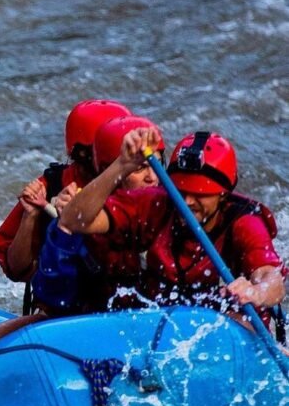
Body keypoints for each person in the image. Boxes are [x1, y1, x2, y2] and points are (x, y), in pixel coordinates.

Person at [59, 127, 286, 326]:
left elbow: (272, 278)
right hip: (163, 325)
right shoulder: (158, 202)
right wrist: (121, 166)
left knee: (239, 322)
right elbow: (73, 220)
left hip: (229, 329)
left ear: (223, 195)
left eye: (199, 194)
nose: (186, 202)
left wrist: (255, 292)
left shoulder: (244, 223)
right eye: (181, 191)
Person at [0, 98, 131, 294]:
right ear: (83, 154)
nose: (125, 164)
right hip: (66, 302)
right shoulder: (50, 188)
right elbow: (16, 269)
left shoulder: (143, 184)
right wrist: (30, 216)